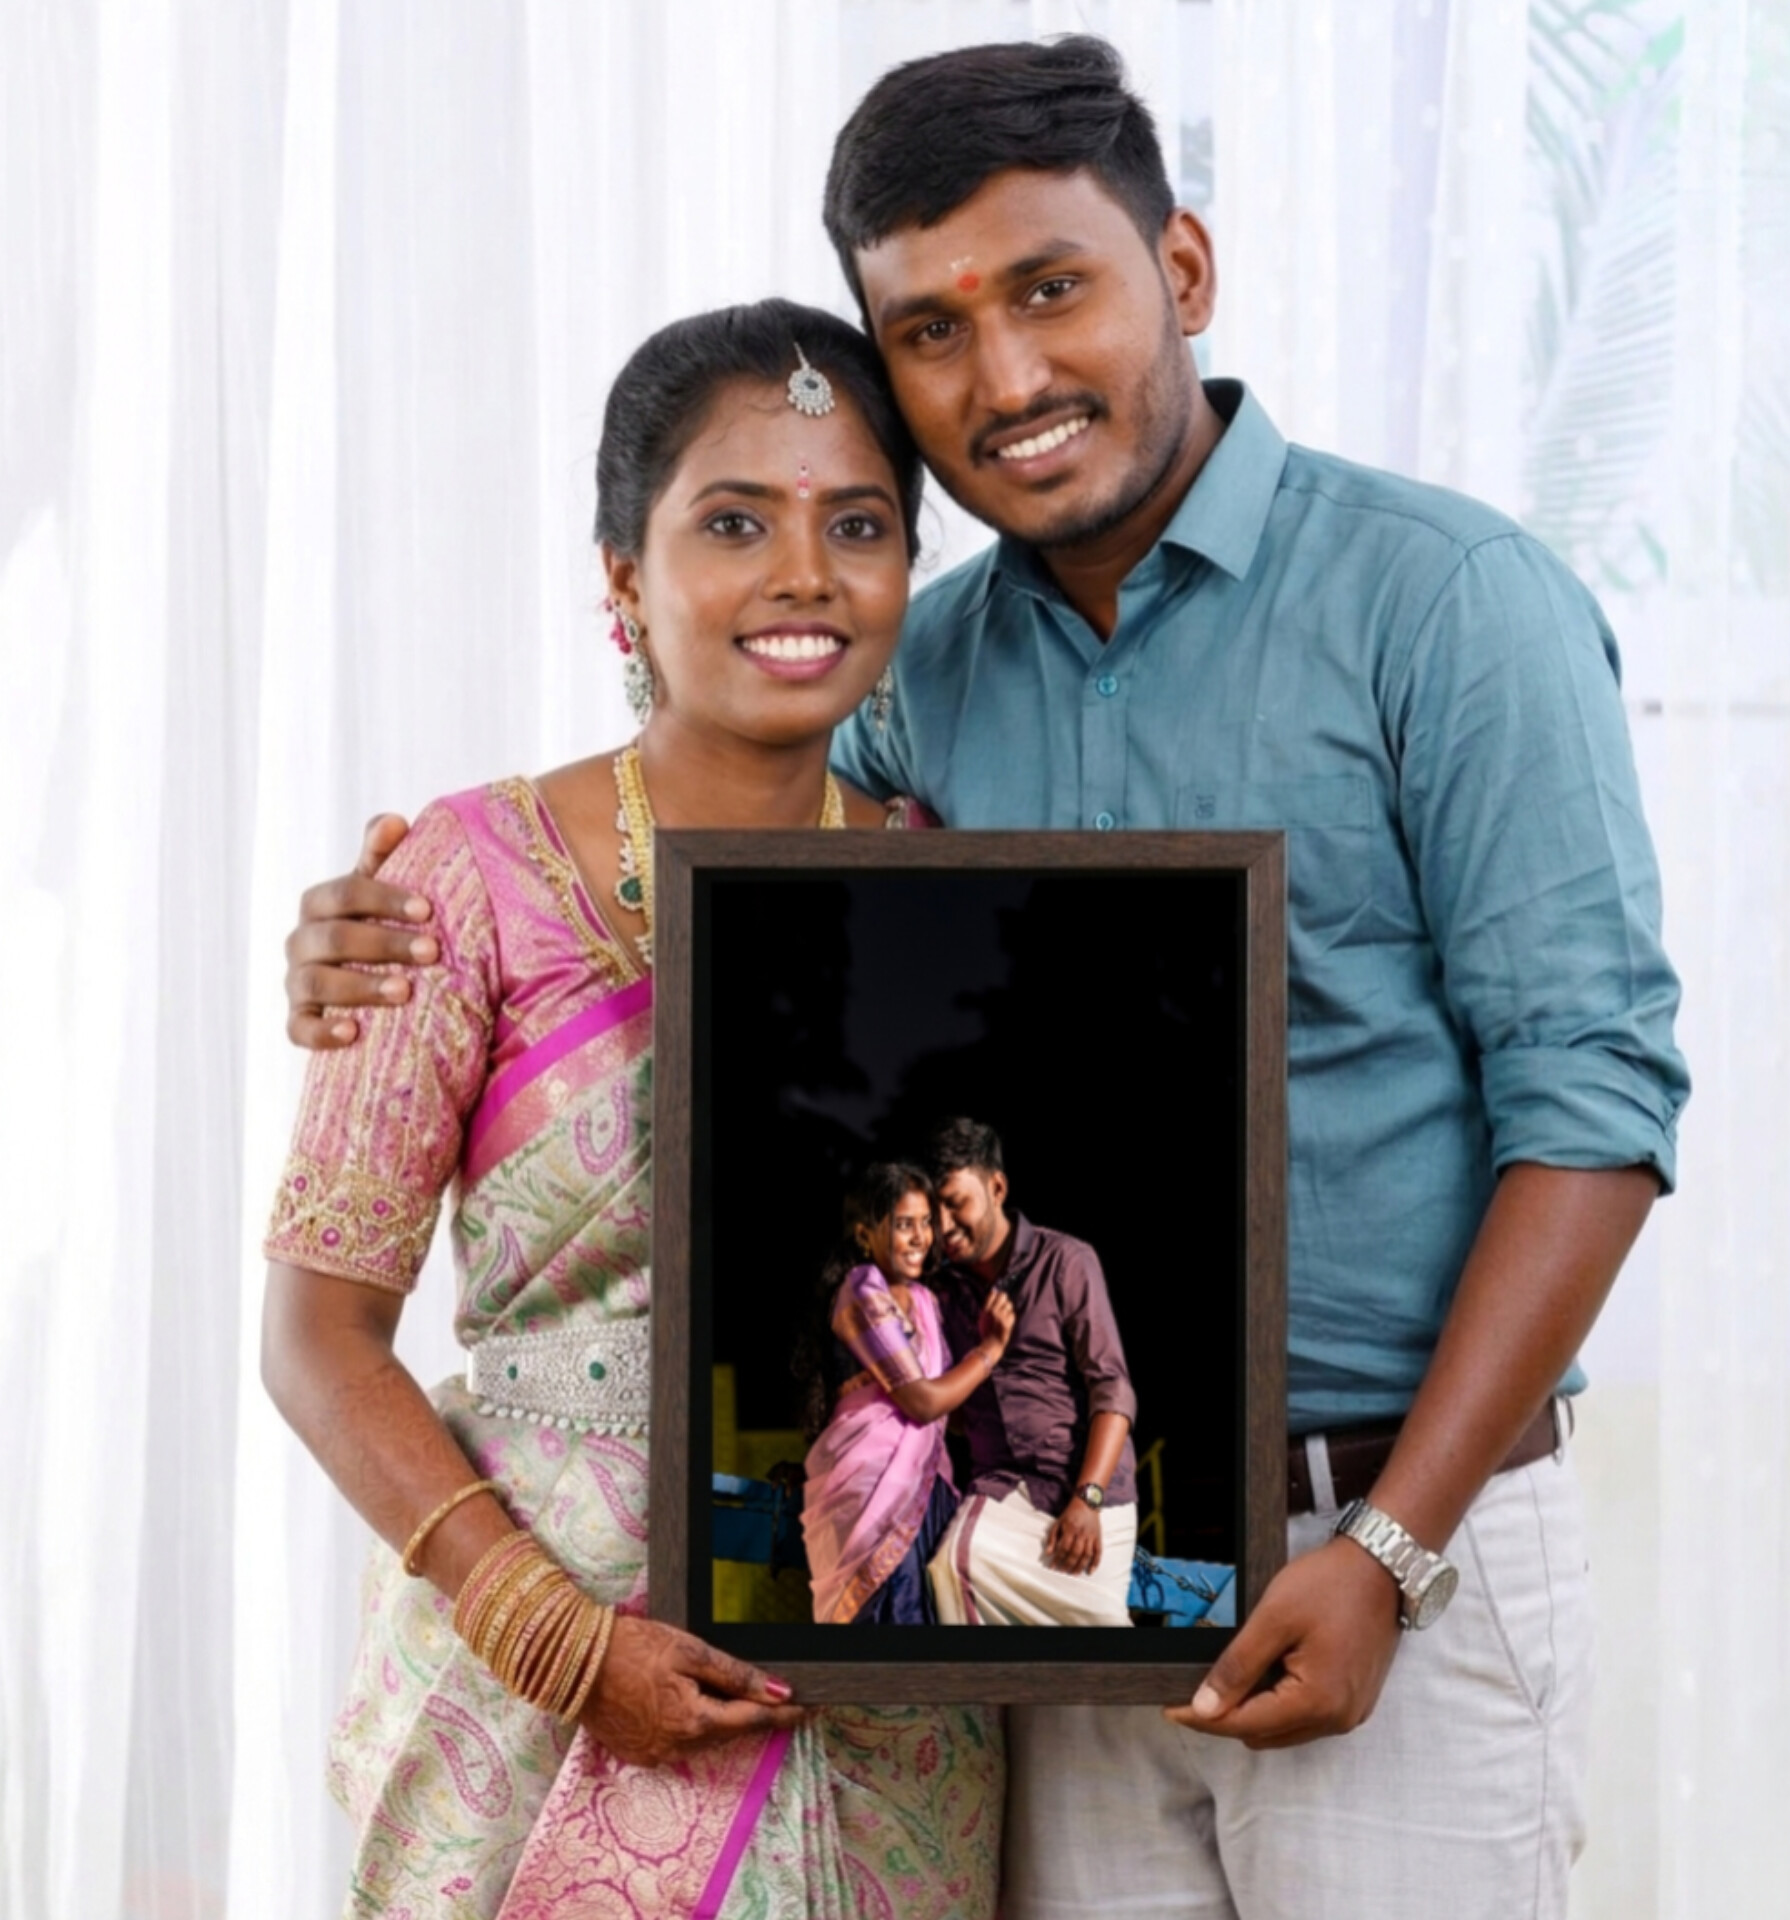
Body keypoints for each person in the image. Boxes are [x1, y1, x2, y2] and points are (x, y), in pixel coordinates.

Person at [280, 35, 1689, 1920]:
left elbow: (1596, 1104)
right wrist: (371, 930)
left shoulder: (1447, 603)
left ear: (1181, 268)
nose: (1006, 380)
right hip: (1030, 1595)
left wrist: (1392, 1553)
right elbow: (724, 882)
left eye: (1050, 290)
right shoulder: (918, 678)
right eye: (931, 331)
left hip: (1381, 1553)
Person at [260, 299, 1002, 1920]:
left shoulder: (948, 887)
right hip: (528, 1690)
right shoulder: (457, 881)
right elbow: (317, 1338)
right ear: (622, 577)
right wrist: (557, 1641)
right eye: (735, 523)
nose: (804, 573)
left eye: (857, 525)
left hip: (880, 1697)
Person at [917, 1119, 1140, 1629]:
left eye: (955, 1203)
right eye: (933, 1213)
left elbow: (1113, 1389)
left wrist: (1087, 1501)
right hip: (1002, 1494)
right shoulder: (941, 1296)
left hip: (1093, 1492)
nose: (943, 1226)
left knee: (1103, 1631)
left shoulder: (1066, 1262)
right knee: (955, 1565)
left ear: (997, 1187)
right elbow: (935, 1409)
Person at [798, 1161, 1018, 1624]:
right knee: (891, 1629)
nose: (921, 1237)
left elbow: (948, 1411)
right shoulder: (862, 1289)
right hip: (872, 1494)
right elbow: (922, 1402)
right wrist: (990, 1350)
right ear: (865, 1235)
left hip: (927, 1484)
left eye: (925, 1223)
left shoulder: (924, 1301)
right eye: (903, 1225)